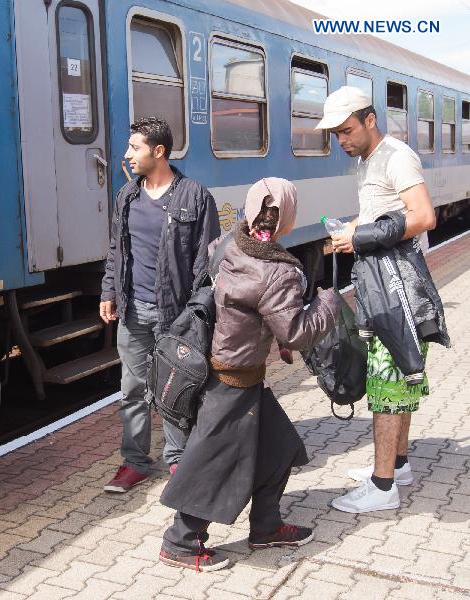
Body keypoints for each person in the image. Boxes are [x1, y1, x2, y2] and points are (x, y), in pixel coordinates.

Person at [159, 178, 340, 571]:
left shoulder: (229, 244)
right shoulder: (277, 270)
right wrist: (329, 302)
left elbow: (249, 307)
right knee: (212, 460)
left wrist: (276, 334)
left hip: (227, 368)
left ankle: (266, 526)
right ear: (288, 216)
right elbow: (297, 330)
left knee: (280, 448)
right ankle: (181, 542)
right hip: (234, 379)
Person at [316, 86, 439, 513]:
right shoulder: (368, 160)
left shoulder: (396, 155)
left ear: (370, 120)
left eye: (347, 130)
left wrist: (360, 236)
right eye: (335, 134)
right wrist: (354, 228)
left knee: (386, 382)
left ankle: (383, 487)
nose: (341, 141)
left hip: (398, 287)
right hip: (384, 281)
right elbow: (385, 214)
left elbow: (424, 216)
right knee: (398, 377)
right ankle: (398, 464)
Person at [99, 117, 220, 493]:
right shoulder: (127, 196)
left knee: (175, 389)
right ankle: (134, 462)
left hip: (176, 314)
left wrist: (197, 313)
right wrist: (108, 291)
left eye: (134, 148)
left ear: (159, 152)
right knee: (132, 389)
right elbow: (117, 251)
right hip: (133, 310)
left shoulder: (195, 196)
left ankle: (178, 459)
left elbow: (208, 261)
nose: (127, 155)